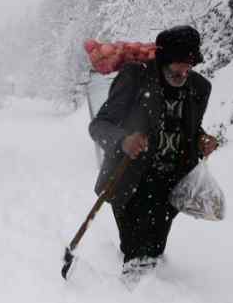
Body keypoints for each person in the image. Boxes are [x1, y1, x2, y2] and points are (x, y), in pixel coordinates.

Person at [89, 25, 219, 277]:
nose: (183, 71)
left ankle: (150, 287)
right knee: (136, 256)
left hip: (171, 184)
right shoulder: (135, 78)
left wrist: (202, 139)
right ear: (163, 60)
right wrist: (124, 140)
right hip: (132, 179)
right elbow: (99, 125)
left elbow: (189, 129)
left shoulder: (199, 88)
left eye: (189, 65)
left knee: (154, 253)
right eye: (177, 64)